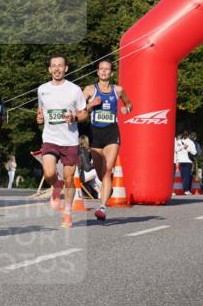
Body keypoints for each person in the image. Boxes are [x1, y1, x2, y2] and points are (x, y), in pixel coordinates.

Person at [36, 55, 87, 229]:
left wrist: (74, 116)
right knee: (49, 173)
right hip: (50, 138)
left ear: (66, 69)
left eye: (60, 66)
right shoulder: (42, 89)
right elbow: (41, 108)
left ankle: (67, 213)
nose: (57, 69)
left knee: (69, 178)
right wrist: (40, 117)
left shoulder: (75, 90)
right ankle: (56, 186)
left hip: (70, 140)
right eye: (53, 66)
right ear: (49, 69)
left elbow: (84, 113)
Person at [82, 59, 132, 221]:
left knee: (108, 170)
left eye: (107, 69)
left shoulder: (118, 90)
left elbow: (129, 103)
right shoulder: (89, 90)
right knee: (100, 172)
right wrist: (90, 105)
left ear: (111, 73)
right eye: (101, 69)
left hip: (111, 132)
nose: (104, 72)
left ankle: (102, 208)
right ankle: (105, 190)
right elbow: (80, 111)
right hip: (95, 134)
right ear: (97, 72)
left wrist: (126, 109)